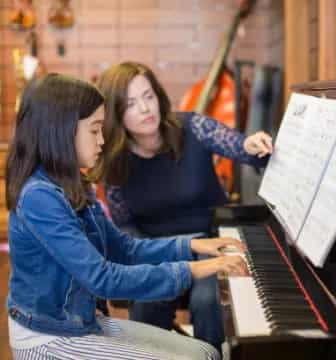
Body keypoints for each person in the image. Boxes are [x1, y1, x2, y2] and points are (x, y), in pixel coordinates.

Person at [5, 73, 249, 360]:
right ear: (62, 132)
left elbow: (124, 248)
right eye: (95, 130)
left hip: (79, 322)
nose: (103, 140)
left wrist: (194, 246)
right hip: (49, 337)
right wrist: (196, 269)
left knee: (207, 352)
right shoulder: (39, 197)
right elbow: (103, 278)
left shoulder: (73, 183)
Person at [94, 62, 273, 352]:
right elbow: (126, 227)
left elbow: (240, 147)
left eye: (148, 96)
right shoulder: (115, 161)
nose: (145, 109)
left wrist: (253, 145)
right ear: (115, 114)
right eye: (130, 104)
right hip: (159, 254)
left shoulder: (194, 127)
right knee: (146, 305)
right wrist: (160, 261)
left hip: (214, 244)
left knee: (209, 302)